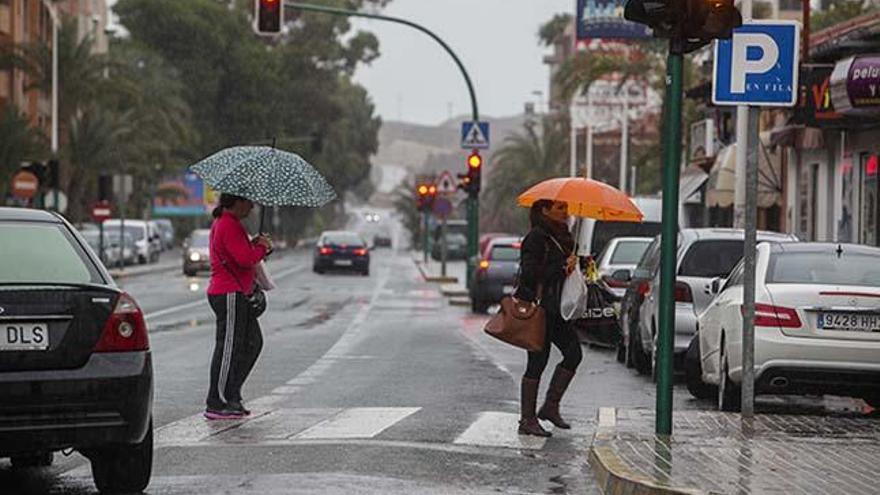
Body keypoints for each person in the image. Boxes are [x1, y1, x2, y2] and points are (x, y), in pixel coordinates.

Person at [514, 199, 583, 437]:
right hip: (540, 309)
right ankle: (527, 420)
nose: (566, 212)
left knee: (574, 354)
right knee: (537, 362)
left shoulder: (564, 237)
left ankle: (550, 406)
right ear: (545, 210)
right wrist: (562, 267)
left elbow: (563, 272)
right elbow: (530, 272)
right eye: (560, 208)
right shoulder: (536, 237)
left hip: (557, 310)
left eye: (566, 207)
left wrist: (579, 264)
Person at [205, 193, 273, 419]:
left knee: (253, 343)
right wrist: (262, 248)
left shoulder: (232, 225)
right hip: (229, 293)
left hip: (238, 292)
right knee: (228, 348)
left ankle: (232, 392)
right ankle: (218, 401)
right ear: (236, 202)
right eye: (248, 202)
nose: (252, 207)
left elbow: (240, 253)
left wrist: (256, 244)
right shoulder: (227, 224)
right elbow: (245, 259)